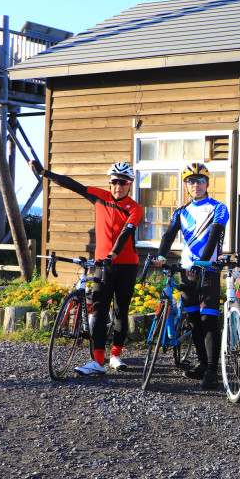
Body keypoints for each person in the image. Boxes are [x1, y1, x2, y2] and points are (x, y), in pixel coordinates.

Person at [30, 159, 143, 375]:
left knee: (121, 311)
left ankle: (116, 355)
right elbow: (73, 185)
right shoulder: (100, 197)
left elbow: (125, 233)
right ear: (110, 182)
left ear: (130, 183)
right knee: (99, 311)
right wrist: (44, 172)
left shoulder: (135, 208)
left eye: (124, 182)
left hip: (127, 265)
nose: (119, 186)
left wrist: (113, 254)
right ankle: (98, 362)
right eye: (116, 181)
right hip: (102, 265)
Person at [153, 163, 229, 391]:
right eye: (191, 181)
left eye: (200, 181)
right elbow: (168, 235)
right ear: (186, 185)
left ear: (207, 183)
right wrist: (160, 256)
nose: (196, 185)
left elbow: (215, 235)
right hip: (187, 271)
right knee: (195, 320)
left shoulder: (219, 208)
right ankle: (203, 364)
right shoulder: (180, 211)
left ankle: (213, 371)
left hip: (209, 270)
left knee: (208, 320)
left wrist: (202, 262)